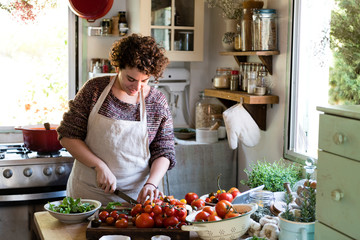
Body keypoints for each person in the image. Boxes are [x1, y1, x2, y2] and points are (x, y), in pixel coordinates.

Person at [57, 34, 175, 205]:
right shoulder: (94, 90)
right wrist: (99, 166)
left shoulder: (157, 101)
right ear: (118, 67)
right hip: (88, 195)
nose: (137, 87)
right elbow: (68, 136)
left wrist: (152, 183)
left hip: (137, 198)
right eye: (131, 79)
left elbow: (165, 151)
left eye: (144, 80)